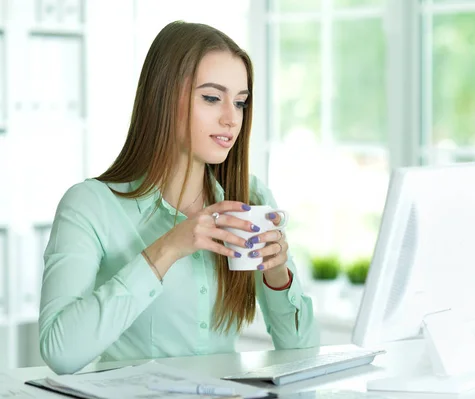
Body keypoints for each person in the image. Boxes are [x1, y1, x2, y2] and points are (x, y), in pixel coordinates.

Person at [38, 21, 320, 375]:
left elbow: (303, 356)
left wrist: (278, 274)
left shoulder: (250, 196)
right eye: (212, 98)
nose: (232, 118)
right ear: (163, 97)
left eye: (241, 102)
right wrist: (169, 248)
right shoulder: (90, 204)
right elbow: (60, 352)